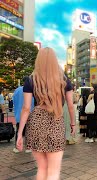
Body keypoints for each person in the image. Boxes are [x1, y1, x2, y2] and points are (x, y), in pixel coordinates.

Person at [16, 48, 75, 179]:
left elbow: (26, 108)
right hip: (56, 121)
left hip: (36, 123)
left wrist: (20, 133)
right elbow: (71, 106)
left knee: (42, 168)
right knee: (54, 171)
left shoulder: (31, 80)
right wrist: (73, 124)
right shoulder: (64, 80)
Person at [12, 77, 34, 153]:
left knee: (18, 130)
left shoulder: (17, 90)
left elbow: (13, 101)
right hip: (29, 113)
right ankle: (28, 147)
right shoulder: (32, 89)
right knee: (29, 130)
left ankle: (17, 147)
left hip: (19, 113)